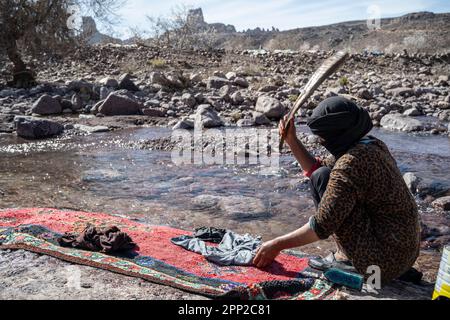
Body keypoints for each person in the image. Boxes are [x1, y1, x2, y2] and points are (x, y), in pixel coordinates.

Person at [253, 96, 421, 284]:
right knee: (322, 176)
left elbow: (322, 225)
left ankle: (353, 261)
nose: (321, 141)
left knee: (323, 181)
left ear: (338, 134)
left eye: (323, 137)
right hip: (404, 253)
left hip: (382, 264)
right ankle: (375, 261)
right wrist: (292, 140)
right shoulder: (371, 144)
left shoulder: (351, 163)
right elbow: (317, 170)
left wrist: (277, 245)